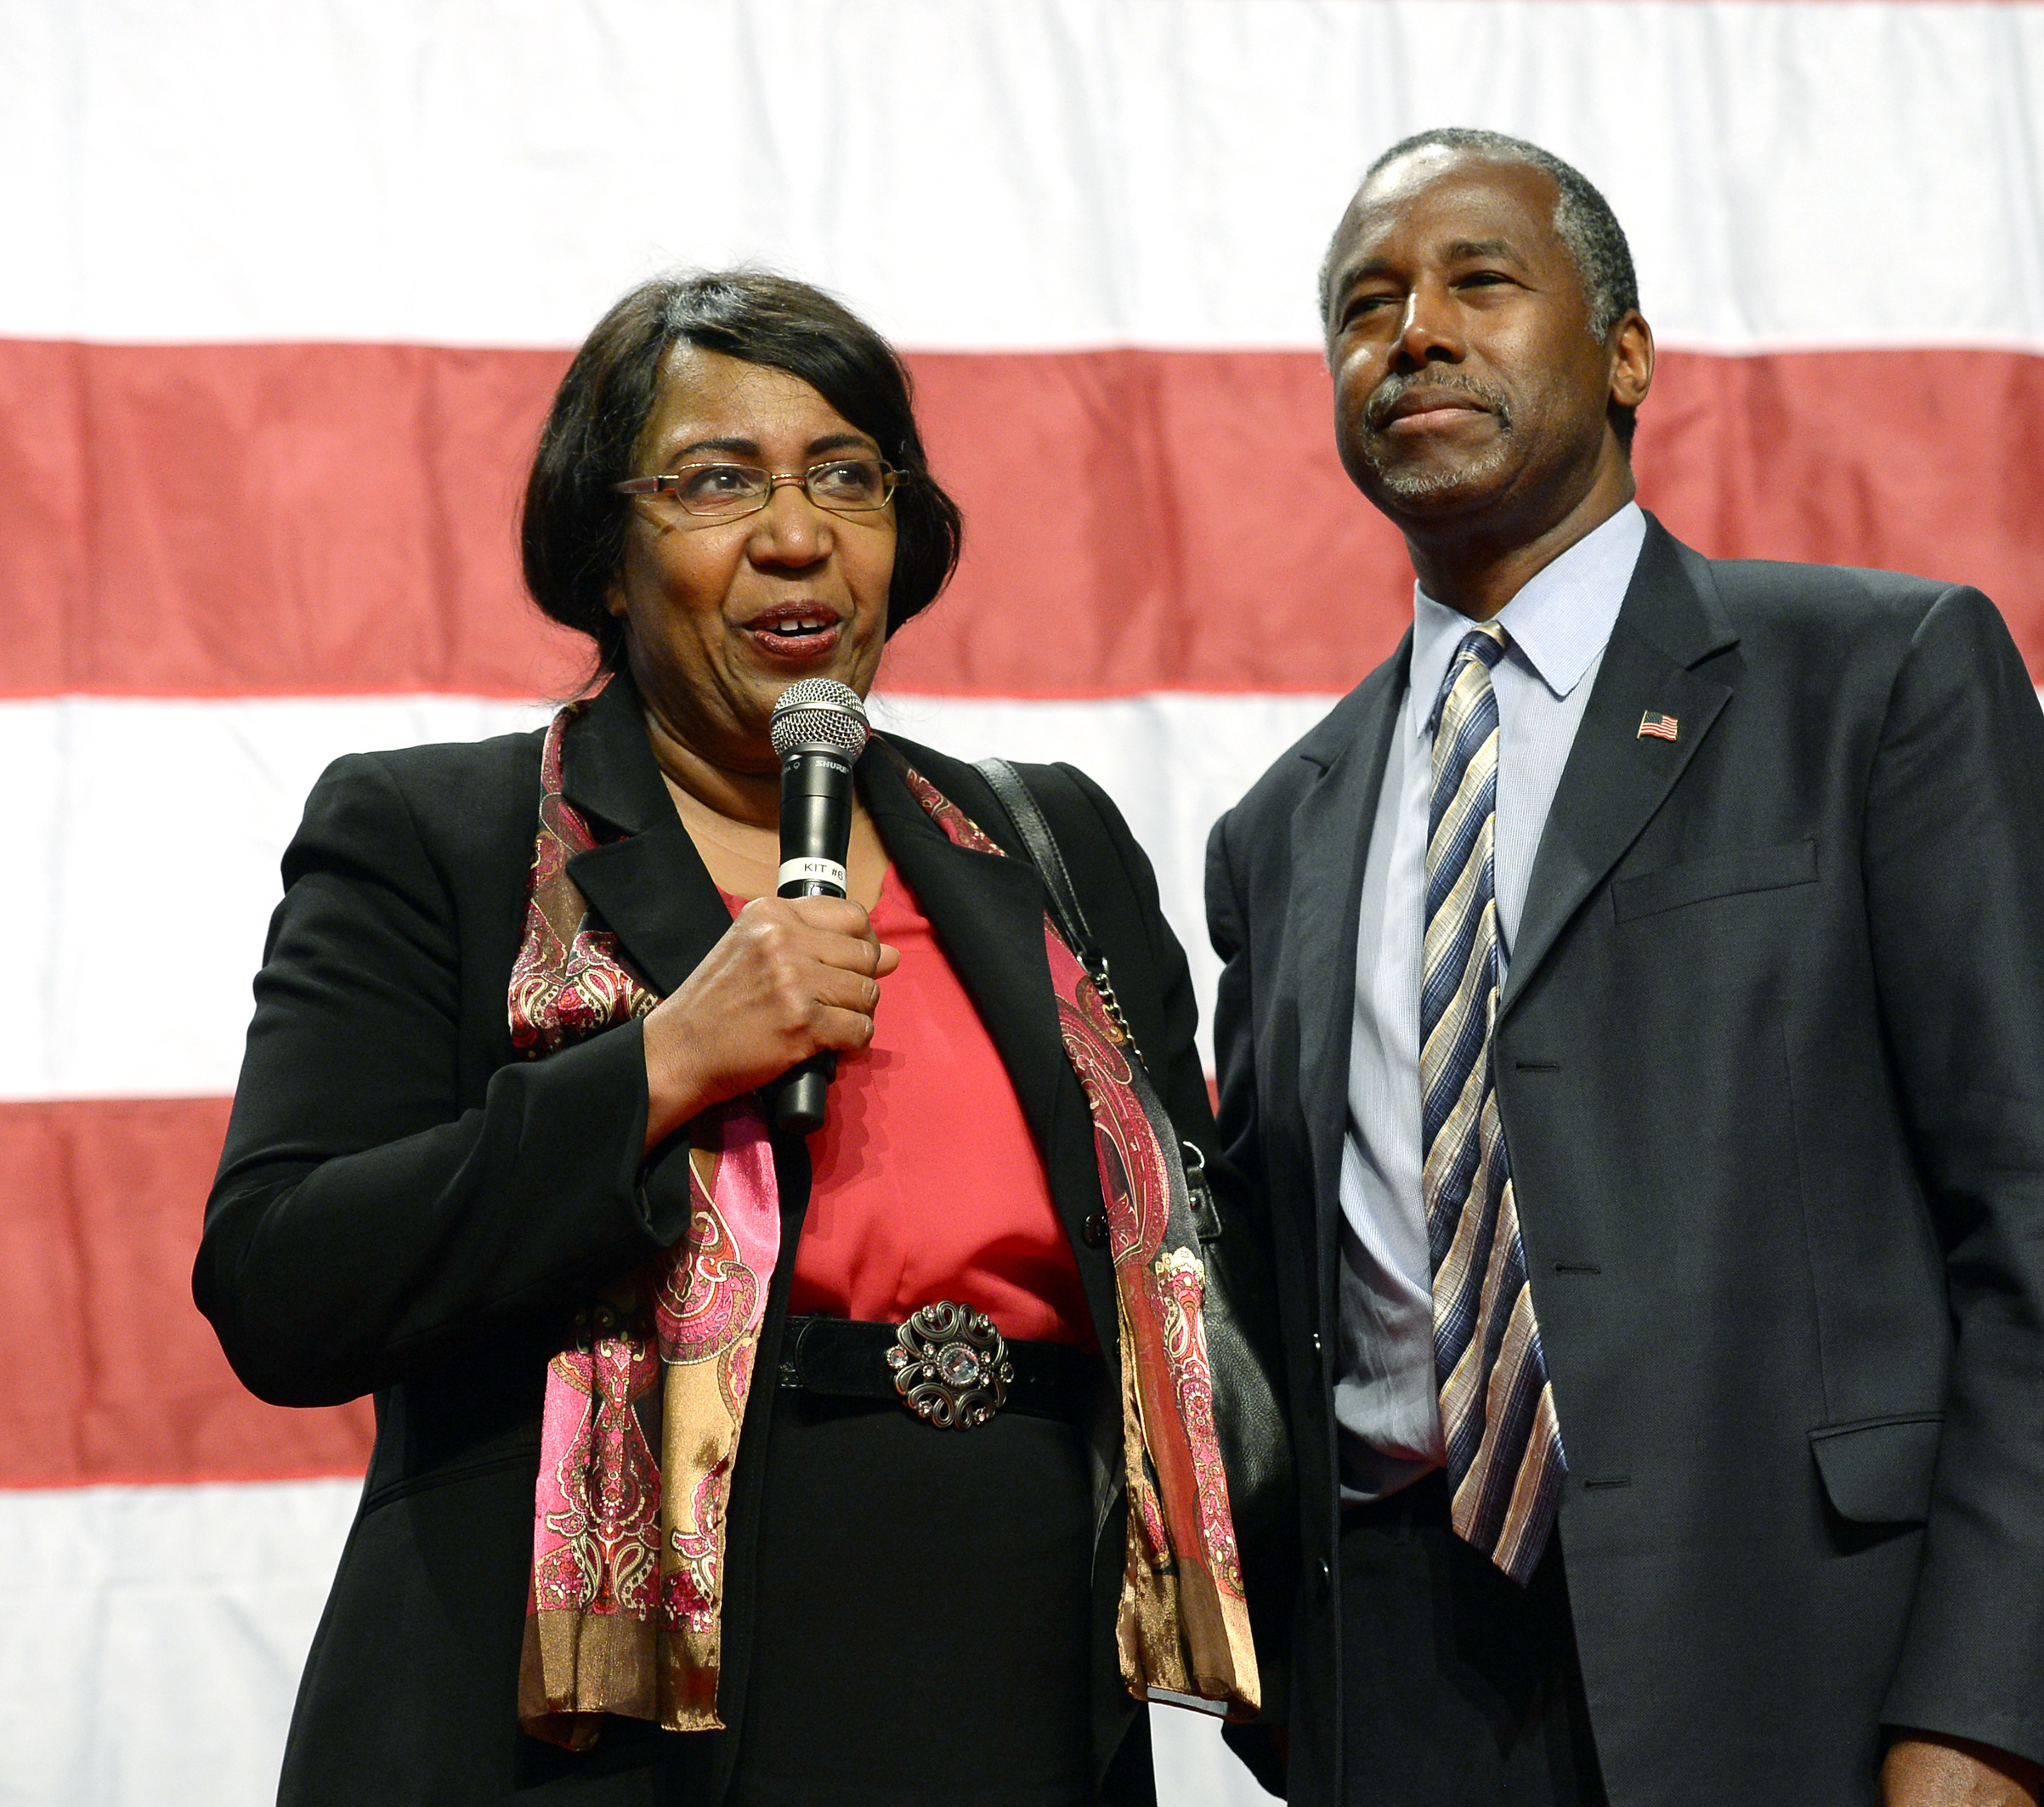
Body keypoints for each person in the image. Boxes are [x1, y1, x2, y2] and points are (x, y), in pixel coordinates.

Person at [195, 268, 1266, 1806]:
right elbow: (282, 1281)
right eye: (717, 481)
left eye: (847, 476)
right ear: (605, 557)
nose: (795, 532)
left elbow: (1214, 1280)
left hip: (1010, 1694)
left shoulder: (1051, 847)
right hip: (593, 1742)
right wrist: (662, 1066)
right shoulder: (441, 834)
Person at [1204, 129, 2044, 1807]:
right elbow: (1273, 1290)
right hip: (1399, 1694)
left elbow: (2042, 1223)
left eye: (1481, 281)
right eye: (1364, 304)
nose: (1414, 332)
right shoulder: (1283, 826)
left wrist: (1995, 1707)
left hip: (1806, 1660)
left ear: (1627, 353)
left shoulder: (1877, 681)